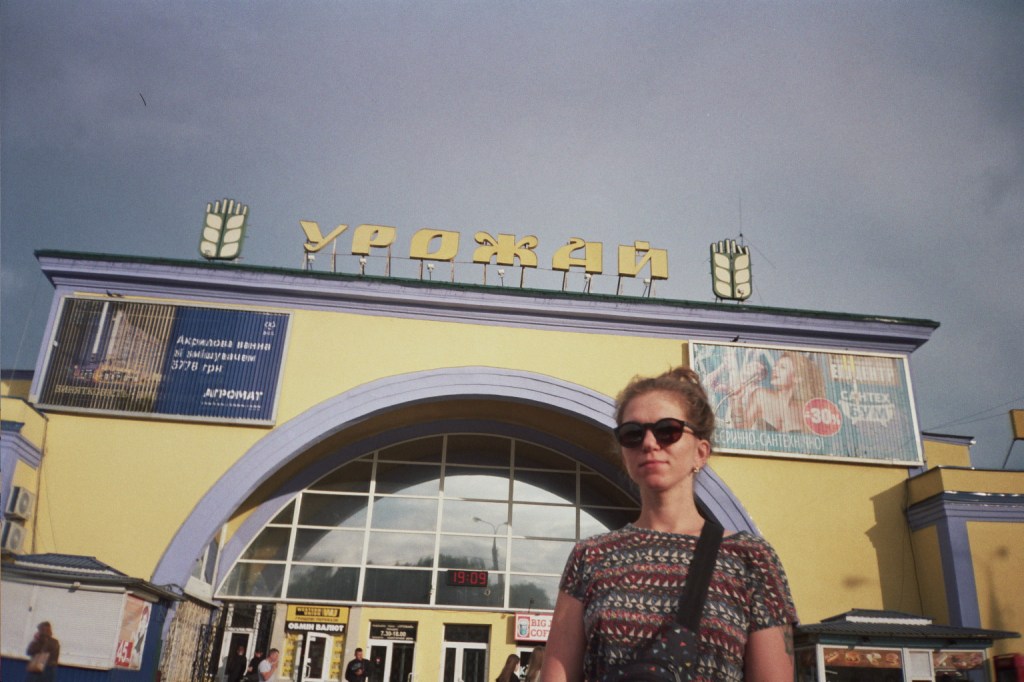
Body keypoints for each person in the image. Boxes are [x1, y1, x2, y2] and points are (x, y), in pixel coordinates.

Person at [542, 366, 798, 682]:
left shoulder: (751, 558)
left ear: (700, 452)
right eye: (632, 434)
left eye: (668, 430)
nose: (649, 443)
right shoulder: (591, 557)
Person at [735, 351, 825, 433]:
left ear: (797, 378)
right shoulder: (761, 396)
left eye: (782, 367)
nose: (775, 369)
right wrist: (737, 401)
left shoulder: (804, 410)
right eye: (775, 366)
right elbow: (741, 431)